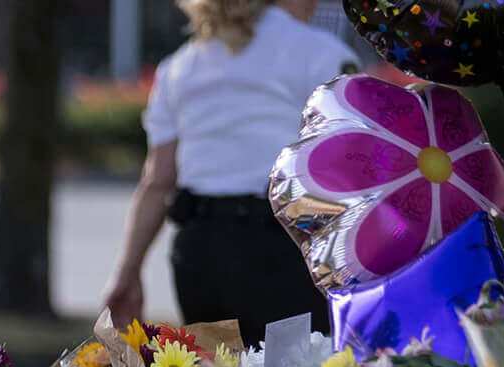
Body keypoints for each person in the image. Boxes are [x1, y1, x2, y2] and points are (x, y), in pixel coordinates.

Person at [101, 0, 357, 346]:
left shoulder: (178, 67)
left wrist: (126, 272)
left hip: (199, 253)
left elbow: (157, 182)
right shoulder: (321, 52)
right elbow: (352, 161)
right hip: (283, 249)